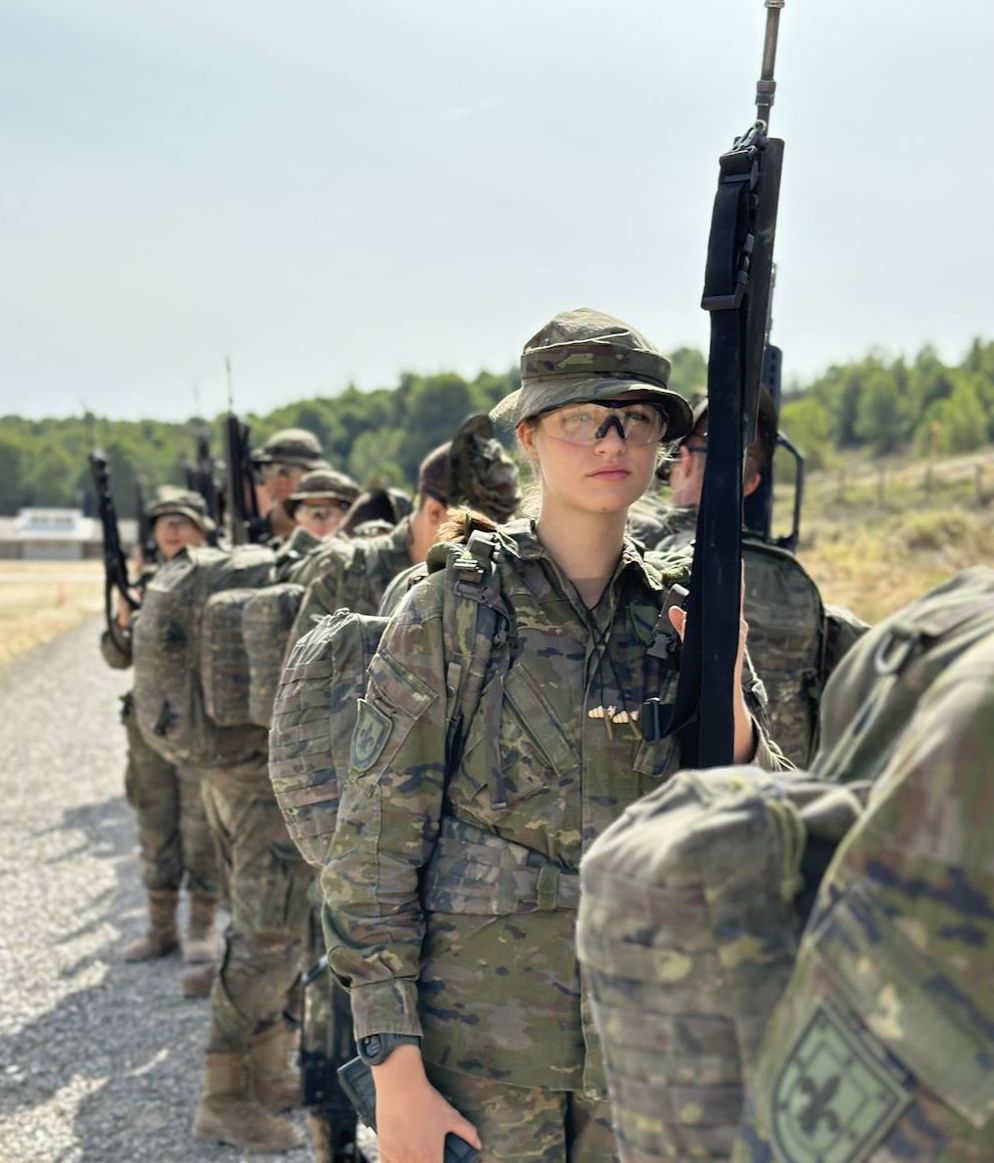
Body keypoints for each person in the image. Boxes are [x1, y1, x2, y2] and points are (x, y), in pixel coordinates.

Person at [321, 307, 787, 1162]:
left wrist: (729, 705)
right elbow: (375, 852)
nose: (611, 441)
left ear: (660, 445)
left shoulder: (688, 611)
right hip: (483, 1063)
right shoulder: (453, 610)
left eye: (636, 420)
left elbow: (768, 822)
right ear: (529, 435)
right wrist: (395, 1075)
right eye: (582, 418)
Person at [643, 393, 869, 765]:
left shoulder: (651, 556)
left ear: (679, 461)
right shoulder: (790, 581)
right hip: (782, 796)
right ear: (751, 484)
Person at [99, 487, 221, 994]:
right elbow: (115, 657)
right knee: (154, 825)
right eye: (163, 522)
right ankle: (160, 929)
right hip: (148, 727)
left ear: (202, 529)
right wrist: (122, 610)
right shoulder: (140, 584)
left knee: (200, 830)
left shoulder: (219, 577)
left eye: (182, 521)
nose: (172, 530)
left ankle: (200, 934)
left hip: (196, 726)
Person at [250, 428, 328, 542]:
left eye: (292, 470)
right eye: (271, 469)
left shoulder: (329, 533)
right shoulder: (249, 535)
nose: (281, 478)